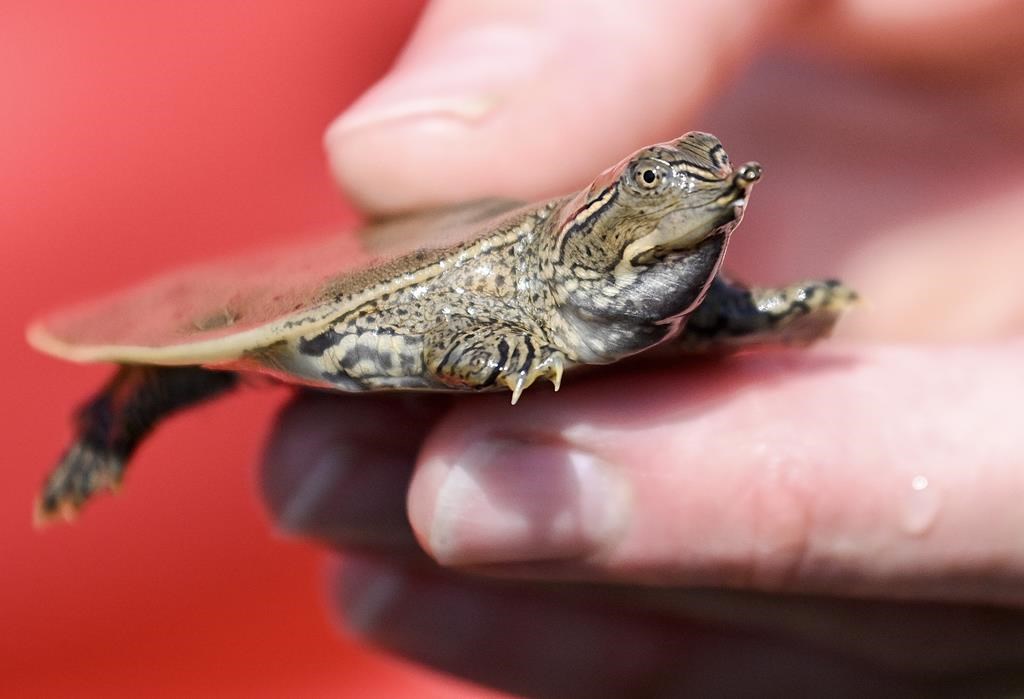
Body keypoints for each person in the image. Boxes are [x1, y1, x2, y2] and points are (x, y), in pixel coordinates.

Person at [260, 1, 1024, 695]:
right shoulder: (519, 292)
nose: (694, 185)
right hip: (355, 299)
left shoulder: (700, 302)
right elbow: (452, 343)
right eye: (655, 179)